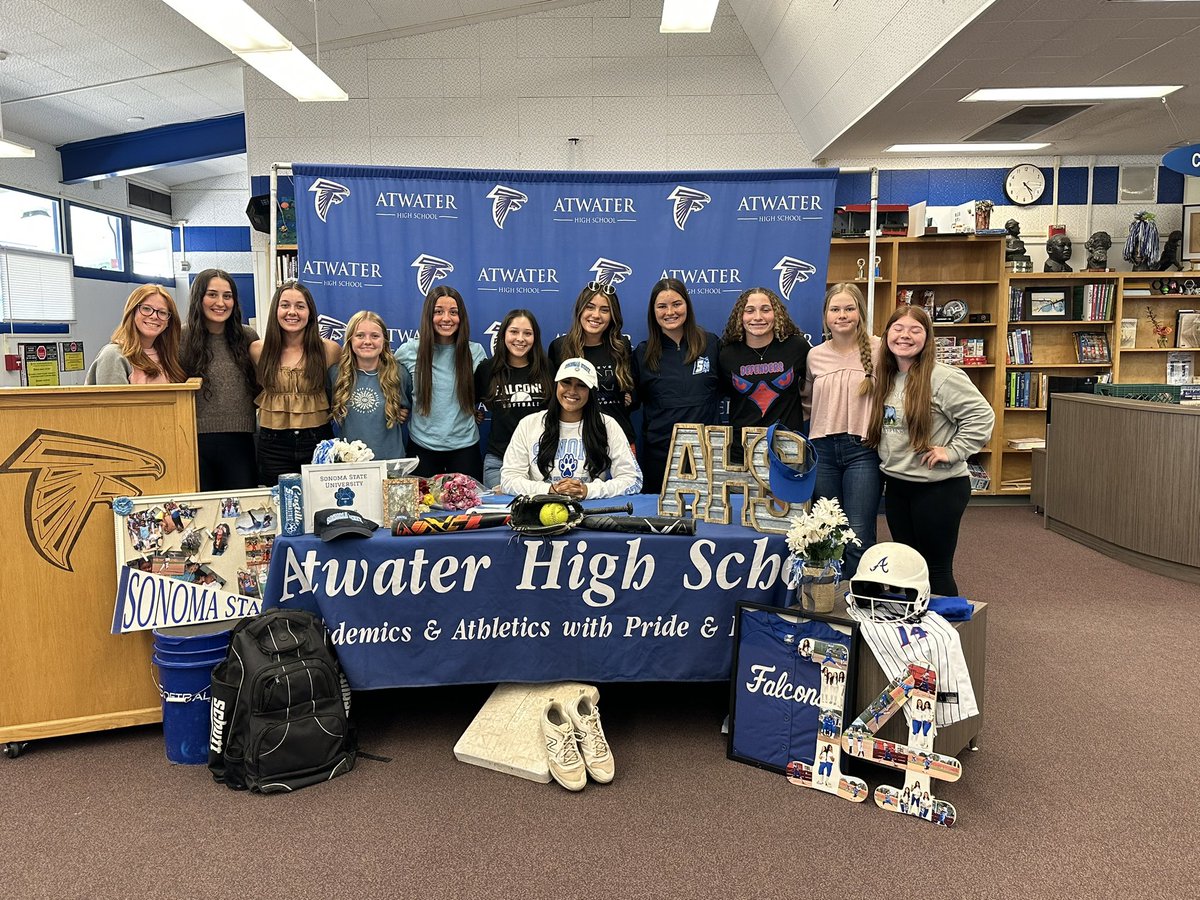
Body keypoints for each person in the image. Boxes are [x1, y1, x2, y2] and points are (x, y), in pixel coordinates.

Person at [865, 306, 995, 597]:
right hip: (898, 486)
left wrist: (953, 451)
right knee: (909, 567)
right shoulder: (887, 376)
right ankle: (915, 635)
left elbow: (983, 417)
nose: (905, 336)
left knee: (935, 569)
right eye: (898, 329)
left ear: (927, 337)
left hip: (938, 488)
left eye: (915, 330)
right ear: (887, 335)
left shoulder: (943, 377)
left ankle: (947, 636)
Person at [802, 283, 881, 579]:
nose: (842, 315)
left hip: (863, 450)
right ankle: (829, 599)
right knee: (828, 530)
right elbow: (807, 403)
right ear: (825, 316)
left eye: (849, 308)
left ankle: (859, 599)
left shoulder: (879, 349)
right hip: (822, 449)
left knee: (858, 532)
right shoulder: (815, 356)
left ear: (860, 313)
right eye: (835, 309)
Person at [500, 357, 642, 500]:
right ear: (556, 385)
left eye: (581, 385)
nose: (572, 391)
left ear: (591, 391)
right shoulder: (529, 424)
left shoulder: (607, 424)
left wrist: (587, 490)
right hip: (540, 511)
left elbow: (633, 479)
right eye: (566, 382)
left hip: (591, 511)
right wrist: (550, 490)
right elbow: (508, 480)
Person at [249, 281, 341, 487]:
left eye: (300, 306)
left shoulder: (330, 350)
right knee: (276, 505)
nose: (292, 312)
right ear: (276, 310)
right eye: (285, 305)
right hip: (272, 445)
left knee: (321, 505)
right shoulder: (258, 350)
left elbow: (347, 389)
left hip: (318, 442)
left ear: (310, 312)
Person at [634, 278, 721, 493]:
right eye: (662, 306)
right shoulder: (642, 353)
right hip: (661, 457)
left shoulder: (710, 344)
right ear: (653, 312)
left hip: (707, 454)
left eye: (676, 304)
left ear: (687, 306)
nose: (670, 312)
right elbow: (632, 399)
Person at [395, 285, 487, 479]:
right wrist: (394, 407)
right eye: (438, 312)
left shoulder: (476, 352)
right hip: (422, 448)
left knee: (470, 509)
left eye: (453, 312)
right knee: (420, 508)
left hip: (465, 448)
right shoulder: (409, 351)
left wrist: (475, 410)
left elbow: (481, 393)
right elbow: (386, 382)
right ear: (428, 316)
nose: (446, 318)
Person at [179, 269, 259, 491]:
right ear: (198, 298)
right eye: (212, 294)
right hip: (194, 442)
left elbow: (260, 385)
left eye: (227, 296)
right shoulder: (180, 338)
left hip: (241, 441)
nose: (220, 303)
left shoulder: (248, 337)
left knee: (243, 515)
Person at [718, 286, 810, 463]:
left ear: (777, 314)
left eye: (765, 310)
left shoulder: (797, 347)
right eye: (750, 311)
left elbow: (814, 387)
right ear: (740, 316)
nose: (758, 317)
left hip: (788, 449)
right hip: (743, 450)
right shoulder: (727, 354)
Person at [548, 283, 639, 446]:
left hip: (619, 439)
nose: (596, 315)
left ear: (613, 315)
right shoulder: (559, 347)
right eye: (590, 307)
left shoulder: (621, 346)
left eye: (604, 310)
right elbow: (553, 398)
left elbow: (634, 392)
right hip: (574, 440)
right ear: (580, 310)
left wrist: (630, 397)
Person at [474, 308, 552, 489]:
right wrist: (473, 412)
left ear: (535, 337)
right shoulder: (487, 369)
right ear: (503, 335)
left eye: (527, 333)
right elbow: (464, 401)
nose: (520, 339)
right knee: (505, 516)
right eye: (514, 332)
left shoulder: (547, 368)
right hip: (499, 463)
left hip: (542, 462)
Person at [329, 310, 411, 460]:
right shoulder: (336, 374)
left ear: (384, 341)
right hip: (350, 467)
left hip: (391, 464)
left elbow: (412, 410)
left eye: (375, 336)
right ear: (350, 340)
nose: (367, 341)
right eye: (360, 335)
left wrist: (401, 410)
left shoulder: (399, 374)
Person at [85, 284, 186, 385]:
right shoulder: (114, 355)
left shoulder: (169, 357)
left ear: (169, 321)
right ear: (132, 312)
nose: (154, 316)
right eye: (146, 309)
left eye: (162, 312)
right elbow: (112, 400)